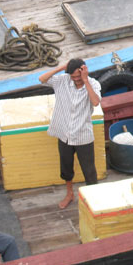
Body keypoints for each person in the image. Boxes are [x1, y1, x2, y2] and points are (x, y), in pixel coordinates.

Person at [39, 58, 101, 209]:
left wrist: (85, 80)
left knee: (89, 170)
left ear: (84, 71)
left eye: (78, 77)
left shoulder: (92, 83)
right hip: (64, 133)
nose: (76, 80)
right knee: (66, 167)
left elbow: (95, 102)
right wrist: (62, 68)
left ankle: (92, 198)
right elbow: (42, 79)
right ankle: (69, 194)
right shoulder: (62, 80)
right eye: (73, 77)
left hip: (83, 135)